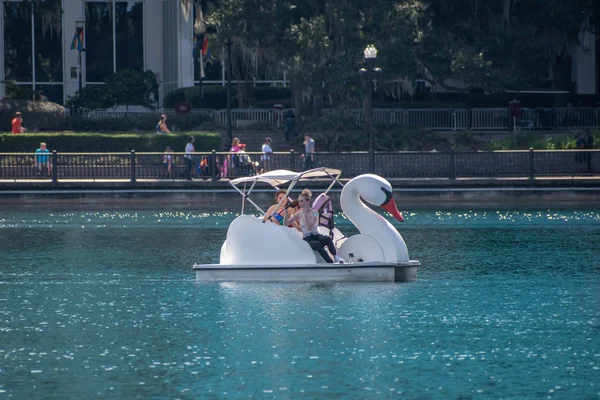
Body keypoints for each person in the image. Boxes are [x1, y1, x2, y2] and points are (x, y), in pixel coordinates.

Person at [287, 189, 343, 263]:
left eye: (302, 201)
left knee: (327, 239)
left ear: (307, 202)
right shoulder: (298, 214)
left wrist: (305, 215)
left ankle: (336, 257)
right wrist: (286, 212)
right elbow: (286, 223)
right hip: (307, 238)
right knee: (317, 244)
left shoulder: (315, 213)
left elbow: (310, 226)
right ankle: (329, 262)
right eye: (299, 201)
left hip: (316, 235)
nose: (300, 203)